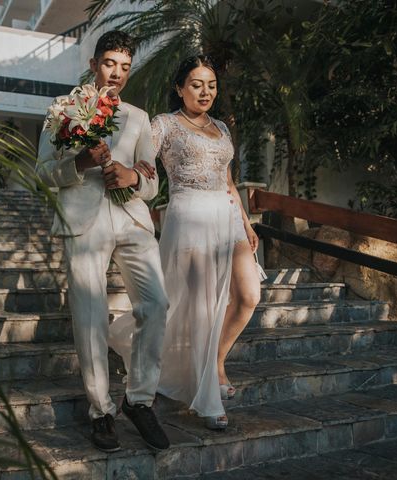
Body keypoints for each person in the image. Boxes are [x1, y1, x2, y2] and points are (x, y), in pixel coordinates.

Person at [109, 55, 261, 430]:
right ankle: (206, 394)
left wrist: (246, 221)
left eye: (211, 84)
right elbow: (140, 159)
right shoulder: (164, 124)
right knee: (198, 309)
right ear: (180, 88)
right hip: (189, 216)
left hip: (228, 217)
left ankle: (217, 361)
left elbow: (227, 180)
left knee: (249, 296)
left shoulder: (222, 128)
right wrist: (123, 173)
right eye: (197, 84)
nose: (205, 91)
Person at [35, 31, 170, 452]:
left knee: (156, 305)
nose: (118, 73)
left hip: (132, 218)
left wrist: (133, 177)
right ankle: (101, 412)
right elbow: (42, 171)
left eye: (126, 67)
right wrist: (78, 162)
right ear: (94, 64)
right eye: (111, 63)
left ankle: (140, 400)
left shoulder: (138, 117)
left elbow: (151, 178)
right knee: (90, 317)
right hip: (83, 221)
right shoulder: (61, 111)